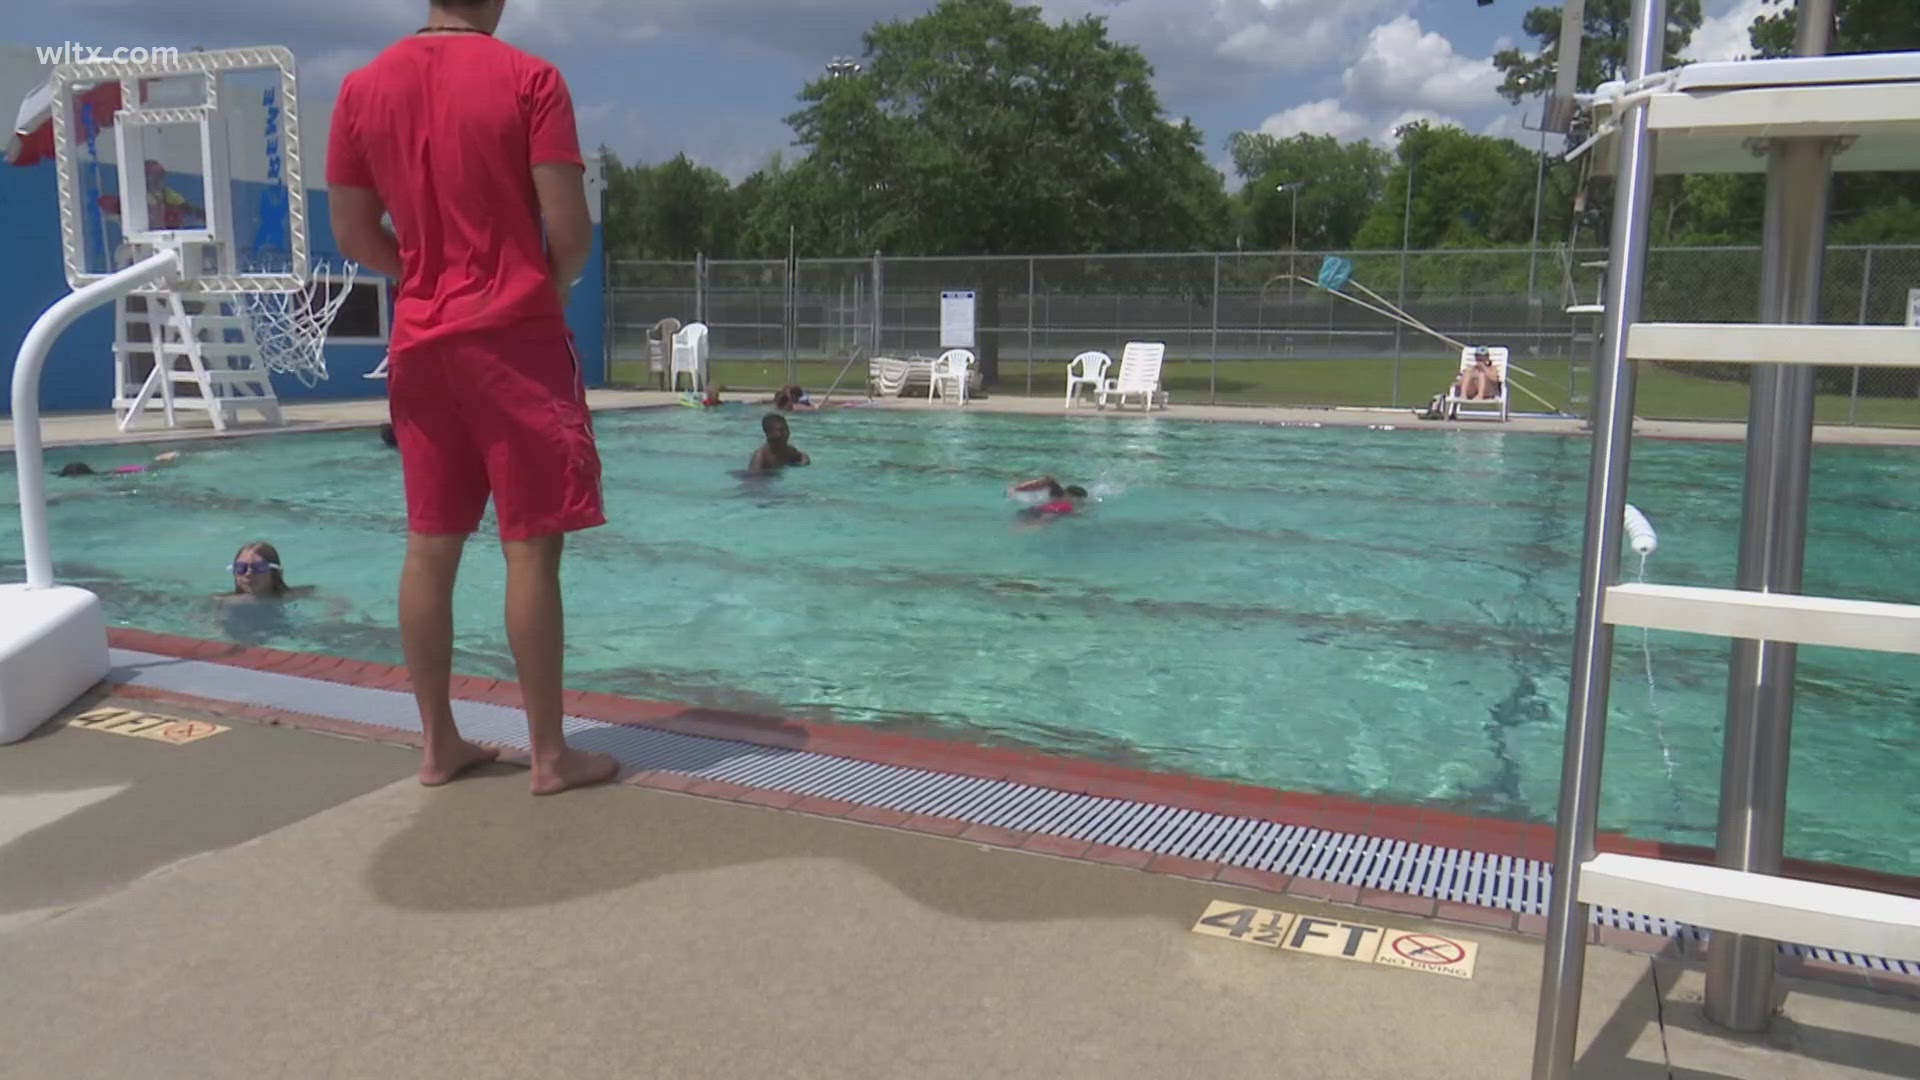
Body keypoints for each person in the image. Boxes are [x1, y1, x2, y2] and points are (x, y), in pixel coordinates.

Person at [328, 0, 617, 794]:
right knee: (531, 548)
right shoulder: (530, 79)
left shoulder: (361, 88)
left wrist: (425, 279)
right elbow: (570, 226)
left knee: (431, 544)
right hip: (514, 341)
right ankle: (550, 756)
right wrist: (542, 288)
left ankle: (438, 745)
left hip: (422, 347)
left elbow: (353, 233)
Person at [220, 541, 317, 601]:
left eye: (258, 567)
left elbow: (323, 595)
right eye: (241, 567)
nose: (248, 573)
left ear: (277, 572)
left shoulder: (292, 596)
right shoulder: (222, 601)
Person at [1008, 476, 1089, 520]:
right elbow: (1048, 480)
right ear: (1069, 495)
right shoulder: (1061, 499)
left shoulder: (1061, 501)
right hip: (1031, 513)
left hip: (1029, 511)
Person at [56, 451, 180, 477]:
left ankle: (162, 459)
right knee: (154, 466)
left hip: (128, 471)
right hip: (123, 470)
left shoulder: (101, 478)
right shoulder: (99, 476)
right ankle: (161, 459)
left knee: (154, 467)